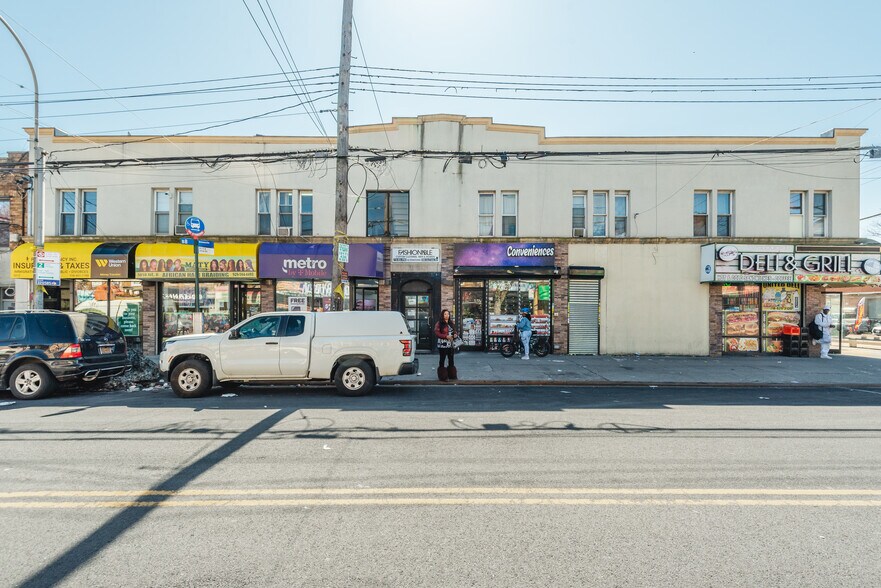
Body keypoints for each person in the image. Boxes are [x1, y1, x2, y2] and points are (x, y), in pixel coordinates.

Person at [433, 309, 457, 381]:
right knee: (442, 360)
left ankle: (452, 375)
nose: (447, 316)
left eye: (448, 314)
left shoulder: (451, 323)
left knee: (451, 359)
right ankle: (443, 376)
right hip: (442, 344)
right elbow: (437, 333)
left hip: (451, 344)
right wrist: (445, 336)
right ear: (442, 315)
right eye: (445, 314)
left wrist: (455, 335)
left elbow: (454, 331)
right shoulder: (439, 323)